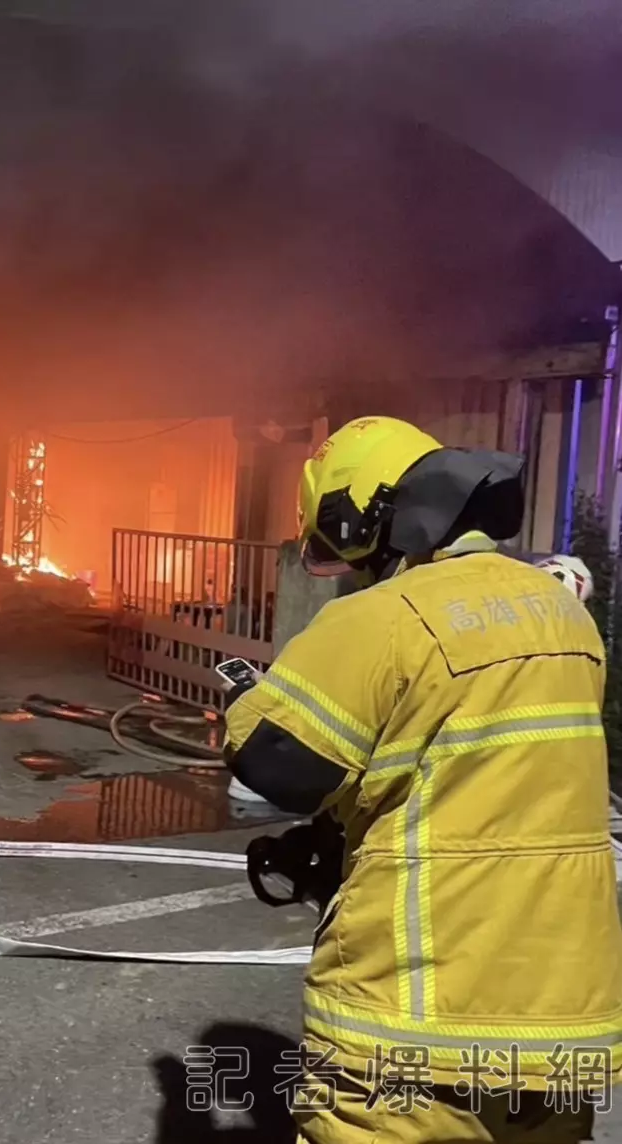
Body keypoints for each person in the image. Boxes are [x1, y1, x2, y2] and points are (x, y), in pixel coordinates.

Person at [223, 415, 622, 1144]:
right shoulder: (563, 616)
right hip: (559, 1025)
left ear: (358, 521)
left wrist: (245, 702)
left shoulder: (387, 617)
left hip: (415, 1019)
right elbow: (476, 770)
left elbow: (275, 765)